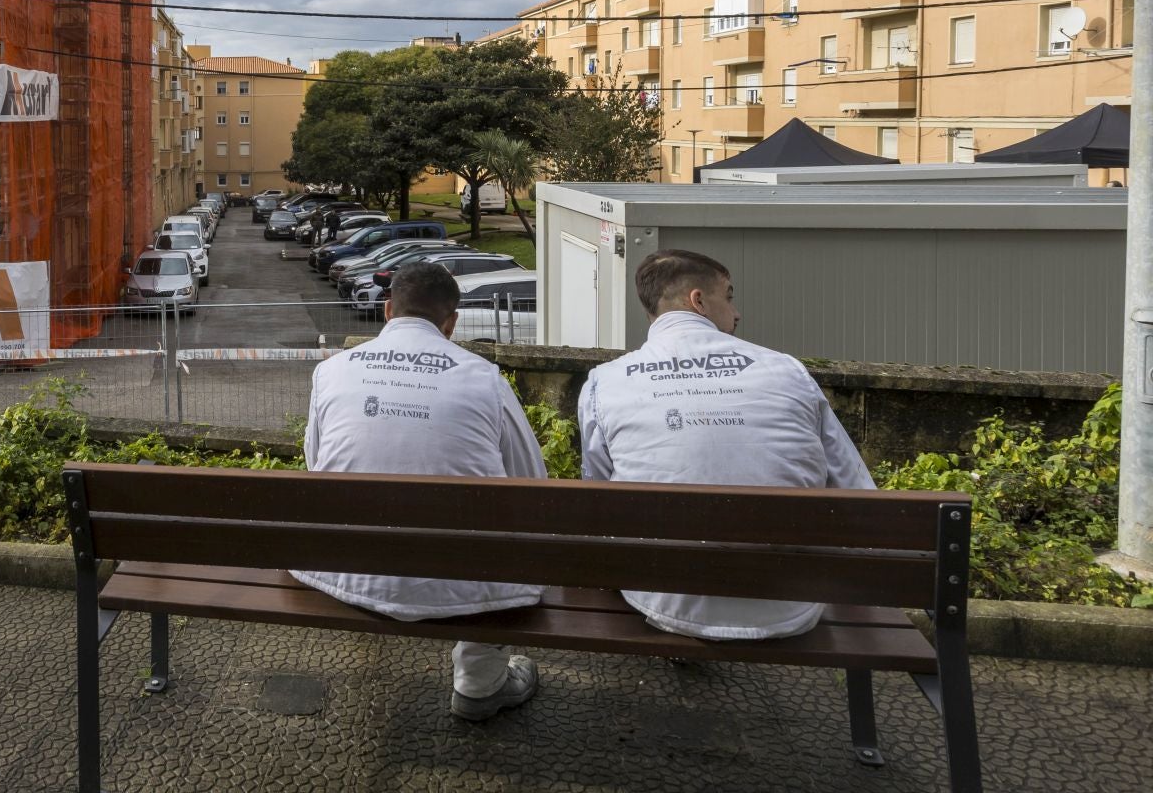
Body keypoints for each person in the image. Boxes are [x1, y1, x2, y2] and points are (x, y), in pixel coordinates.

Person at [291, 261, 549, 720]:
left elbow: (317, 465)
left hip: (342, 569)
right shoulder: (484, 378)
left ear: (388, 310)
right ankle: (479, 683)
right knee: (509, 538)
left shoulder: (331, 372)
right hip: (457, 577)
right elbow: (530, 485)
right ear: (451, 322)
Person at [578, 248, 873, 640]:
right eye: (729, 296)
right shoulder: (784, 369)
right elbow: (854, 487)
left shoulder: (605, 381)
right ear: (698, 300)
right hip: (789, 601)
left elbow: (599, 501)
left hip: (662, 599)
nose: (736, 313)